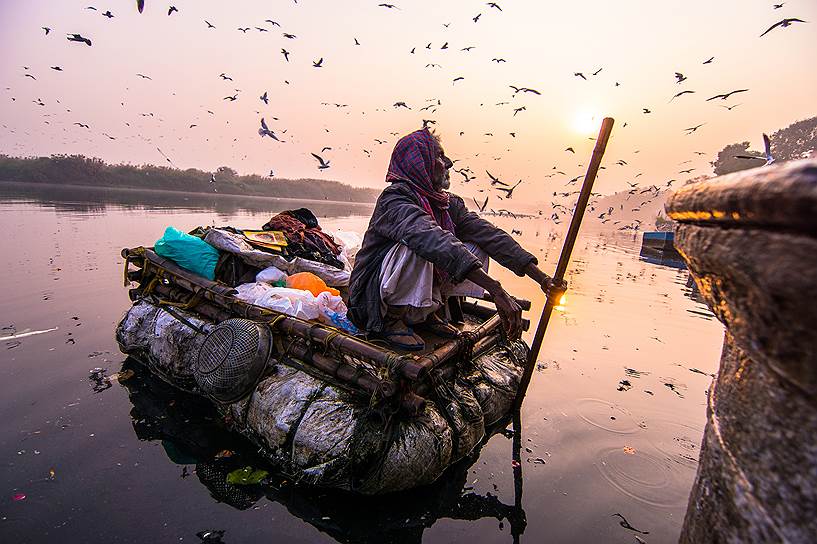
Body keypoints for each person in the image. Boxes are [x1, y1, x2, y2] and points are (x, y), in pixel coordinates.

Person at [348, 127, 558, 350]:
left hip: (409, 282)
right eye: (439, 155)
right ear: (420, 162)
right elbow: (431, 239)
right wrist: (495, 289)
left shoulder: (447, 203)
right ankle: (392, 319)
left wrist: (542, 278)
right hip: (371, 302)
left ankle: (429, 312)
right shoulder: (395, 199)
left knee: (476, 245)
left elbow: (490, 235)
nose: (448, 162)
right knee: (420, 245)